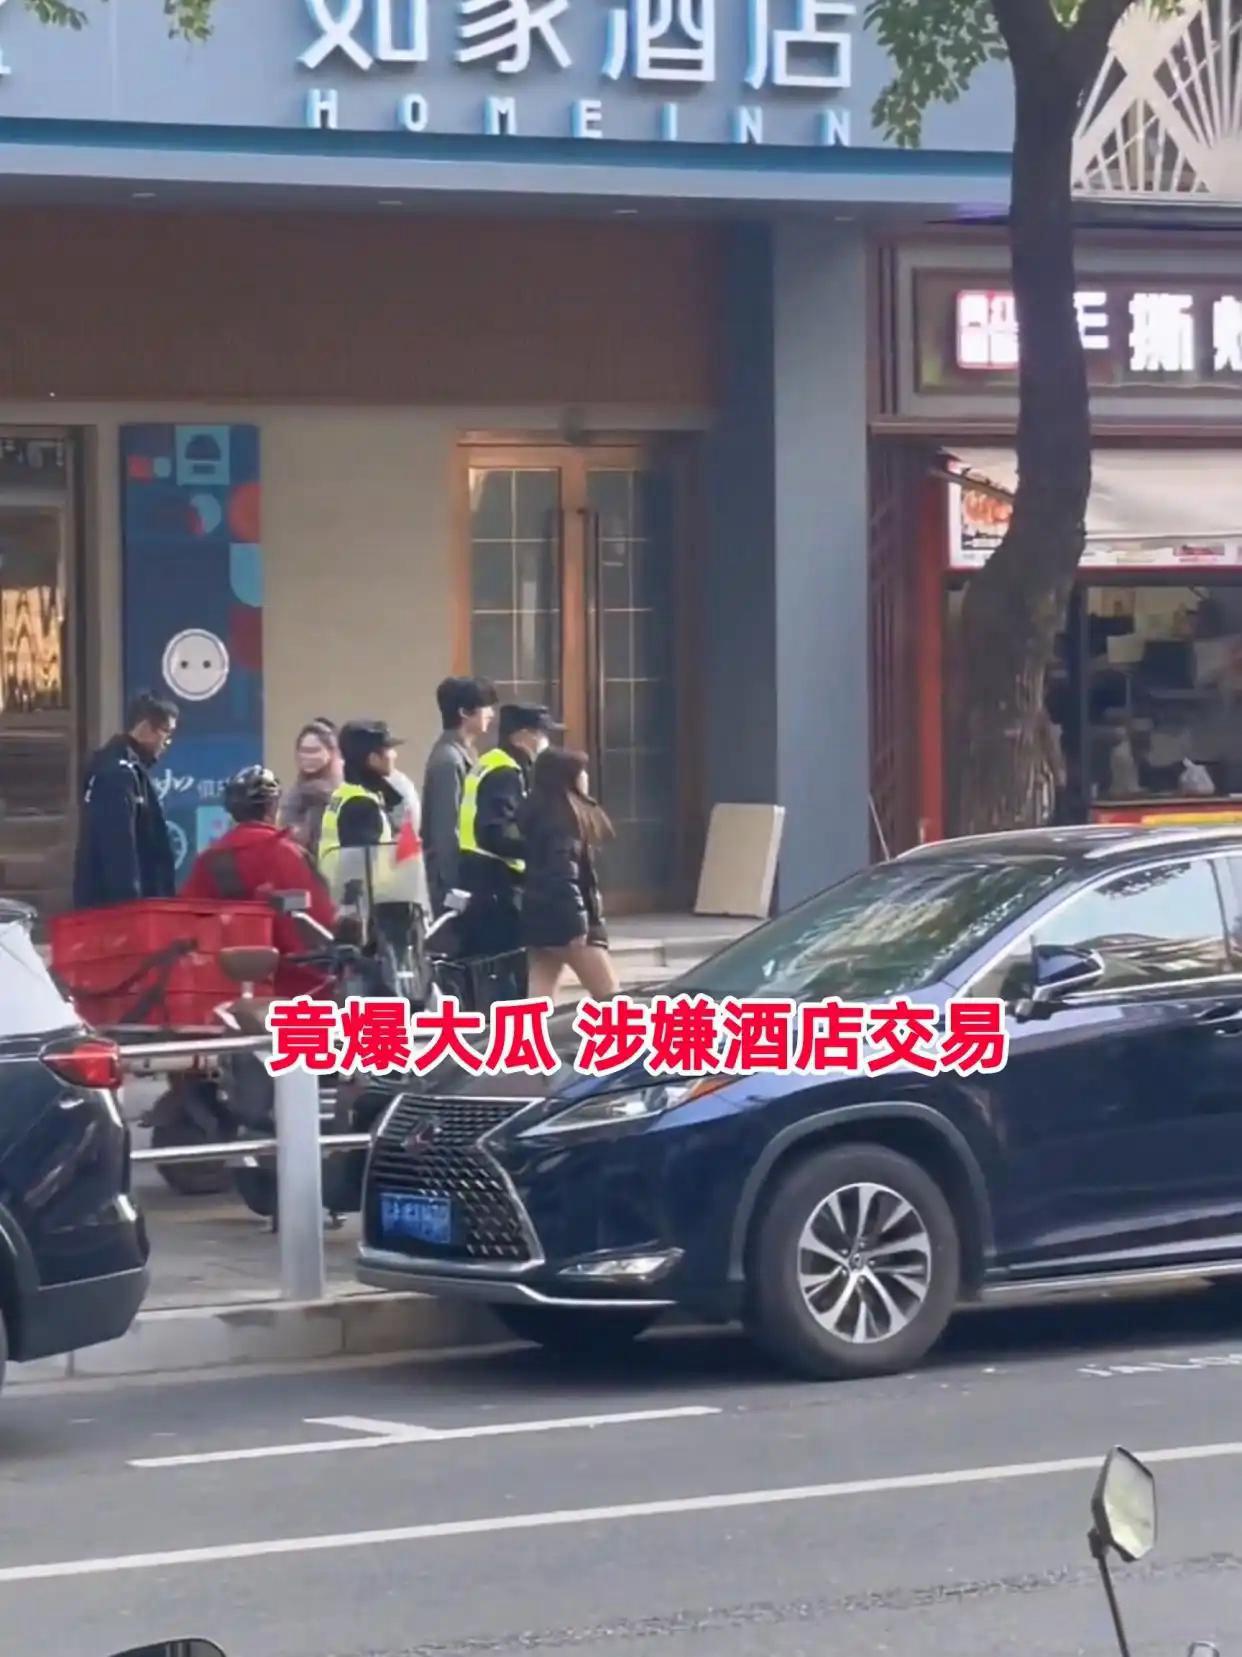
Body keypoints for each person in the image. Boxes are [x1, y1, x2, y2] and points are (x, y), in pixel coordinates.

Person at [180, 765, 335, 999]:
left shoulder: (209, 860)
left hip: (222, 991)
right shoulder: (288, 854)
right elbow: (321, 923)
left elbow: (186, 925)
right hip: (296, 989)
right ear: (273, 807)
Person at [457, 703, 557, 960]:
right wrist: (540, 848)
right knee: (504, 964)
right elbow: (496, 832)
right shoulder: (504, 772)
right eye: (540, 734)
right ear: (520, 736)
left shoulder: (493, 762)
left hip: (480, 876)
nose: (545, 741)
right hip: (495, 883)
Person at [520, 746, 620, 1003]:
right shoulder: (563, 819)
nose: (585, 777)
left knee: (539, 999)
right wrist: (579, 923)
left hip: (540, 918)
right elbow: (562, 874)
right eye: (581, 771)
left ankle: (528, 1031)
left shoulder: (537, 813)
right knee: (611, 998)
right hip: (567, 920)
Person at [73, 690, 179, 909]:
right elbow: (119, 850)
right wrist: (130, 908)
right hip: (119, 911)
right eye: (166, 732)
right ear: (146, 728)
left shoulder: (126, 770)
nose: (167, 743)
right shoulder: (117, 774)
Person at [422, 676, 498, 915]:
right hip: (453, 883)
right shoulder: (448, 760)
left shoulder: (465, 753)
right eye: (485, 707)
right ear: (464, 712)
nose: (491, 714)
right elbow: (446, 830)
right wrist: (456, 888)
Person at [278, 719, 341, 858]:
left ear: (331, 752)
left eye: (314, 751)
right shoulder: (295, 795)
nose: (308, 757)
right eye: (304, 751)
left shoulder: (342, 790)